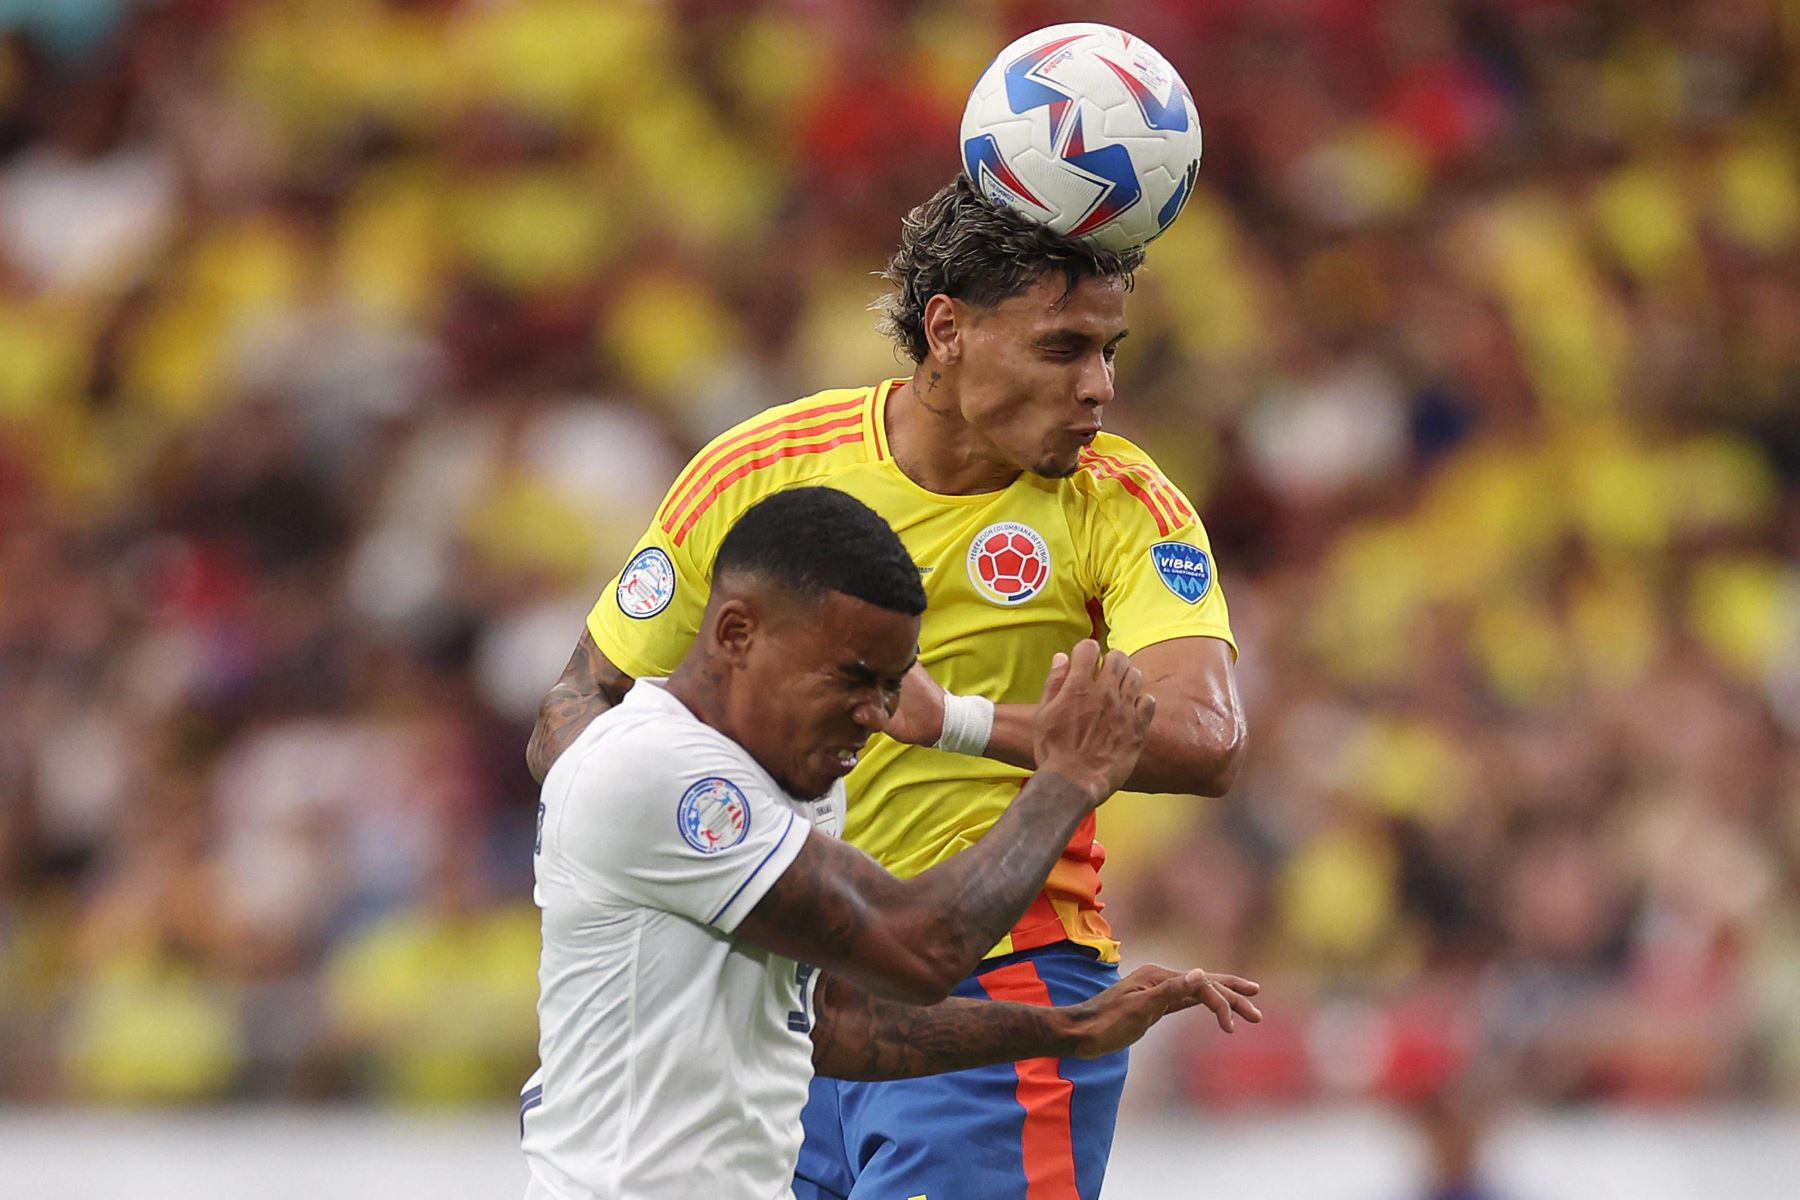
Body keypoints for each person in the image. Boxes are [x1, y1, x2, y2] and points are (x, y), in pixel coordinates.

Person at [530, 178, 1247, 1200]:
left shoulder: (1121, 501)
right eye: (1063, 349)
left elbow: (1207, 737)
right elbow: (573, 711)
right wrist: (693, 846)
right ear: (947, 330)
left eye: (1109, 351)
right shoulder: (766, 468)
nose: (1098, 388)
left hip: (1000, 971)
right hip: (790, 995)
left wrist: (959, 724)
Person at [521, 487, 1259, 1200]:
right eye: (853, 679)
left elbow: (831, 1020)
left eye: (890, 683)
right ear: (735, 633)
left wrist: (1070, 1026)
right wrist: (1066, 777)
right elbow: (919, 951)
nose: (876, 714)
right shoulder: (656, 770)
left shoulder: (785, 782)